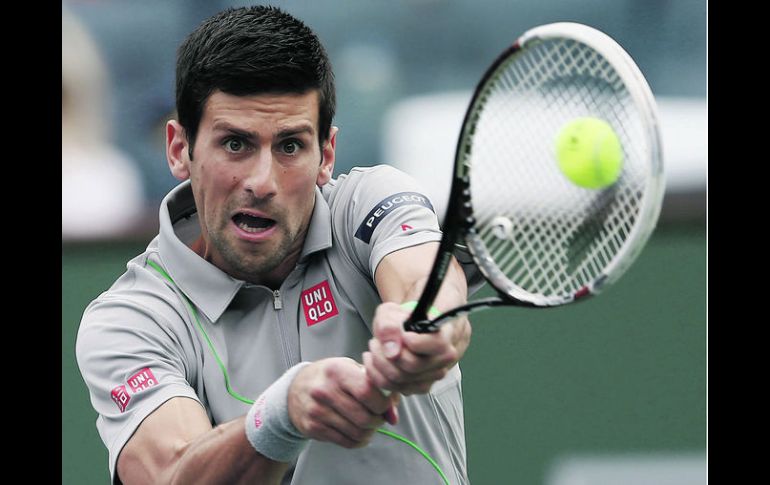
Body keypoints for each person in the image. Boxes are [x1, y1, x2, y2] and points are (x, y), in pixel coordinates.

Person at [76, 6, 475, 484]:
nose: (262, 182)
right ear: (180, 149)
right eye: (235, 144)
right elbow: (171, 475)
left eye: (289, 146)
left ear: (326, 154)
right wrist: (281, 416)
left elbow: (425, 277)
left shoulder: (370, 201)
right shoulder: (131, 318)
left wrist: (424, 322)